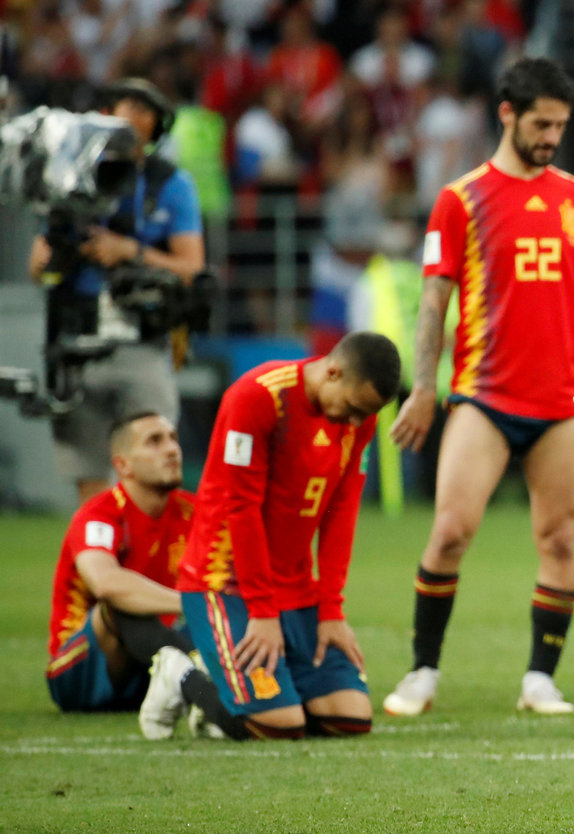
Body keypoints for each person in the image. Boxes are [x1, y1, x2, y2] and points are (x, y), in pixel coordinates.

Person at [382, 56, 574, 718]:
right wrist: (422, 389)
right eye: (541, 124)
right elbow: (434, 302)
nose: (552, 137)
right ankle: (422, 670)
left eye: (560, 126)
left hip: (563, 400)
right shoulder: (460, 200)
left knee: (560, 540)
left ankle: (539, 680)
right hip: (485, 396)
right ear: (507, 115)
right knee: (449, 533)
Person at [172, 332, 401, 740]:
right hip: (225, 583)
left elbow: (341, 513)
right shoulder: (257, 397)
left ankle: (262, 684)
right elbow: (241, 508)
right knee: (278, 724)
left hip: (294, 587)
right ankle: (183, 676)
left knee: (350, 718)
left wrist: (331, 610)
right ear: (333, 372)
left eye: (365, 414)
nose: (354, 423)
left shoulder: (360, 419)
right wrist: (262, 612)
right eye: (352, 408)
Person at [28, 77, 205, 505]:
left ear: (157, 126)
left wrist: (130, 252)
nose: (133, 119)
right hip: (76, 341)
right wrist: (58, 251)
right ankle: (100, 548)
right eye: (127, 107)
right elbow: (37, 268)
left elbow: (191, 269)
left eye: (145, 112)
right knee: (90, 481)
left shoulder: (170, 183)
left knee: (156, 469)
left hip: (142, 339)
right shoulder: (70, 175)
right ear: (105, 115)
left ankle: (148, 550)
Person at [46, 411, 248, 741]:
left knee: (238, 609)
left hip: (152, 659)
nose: (171, 449)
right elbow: (105, 583)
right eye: (154, 441)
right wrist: (192, 602)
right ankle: (209, 697)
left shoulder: (194, 512)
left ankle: (199, 679)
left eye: (173, 439)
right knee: (117, 604)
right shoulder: (99, 514)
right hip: (82, 672)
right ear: (123, 465)